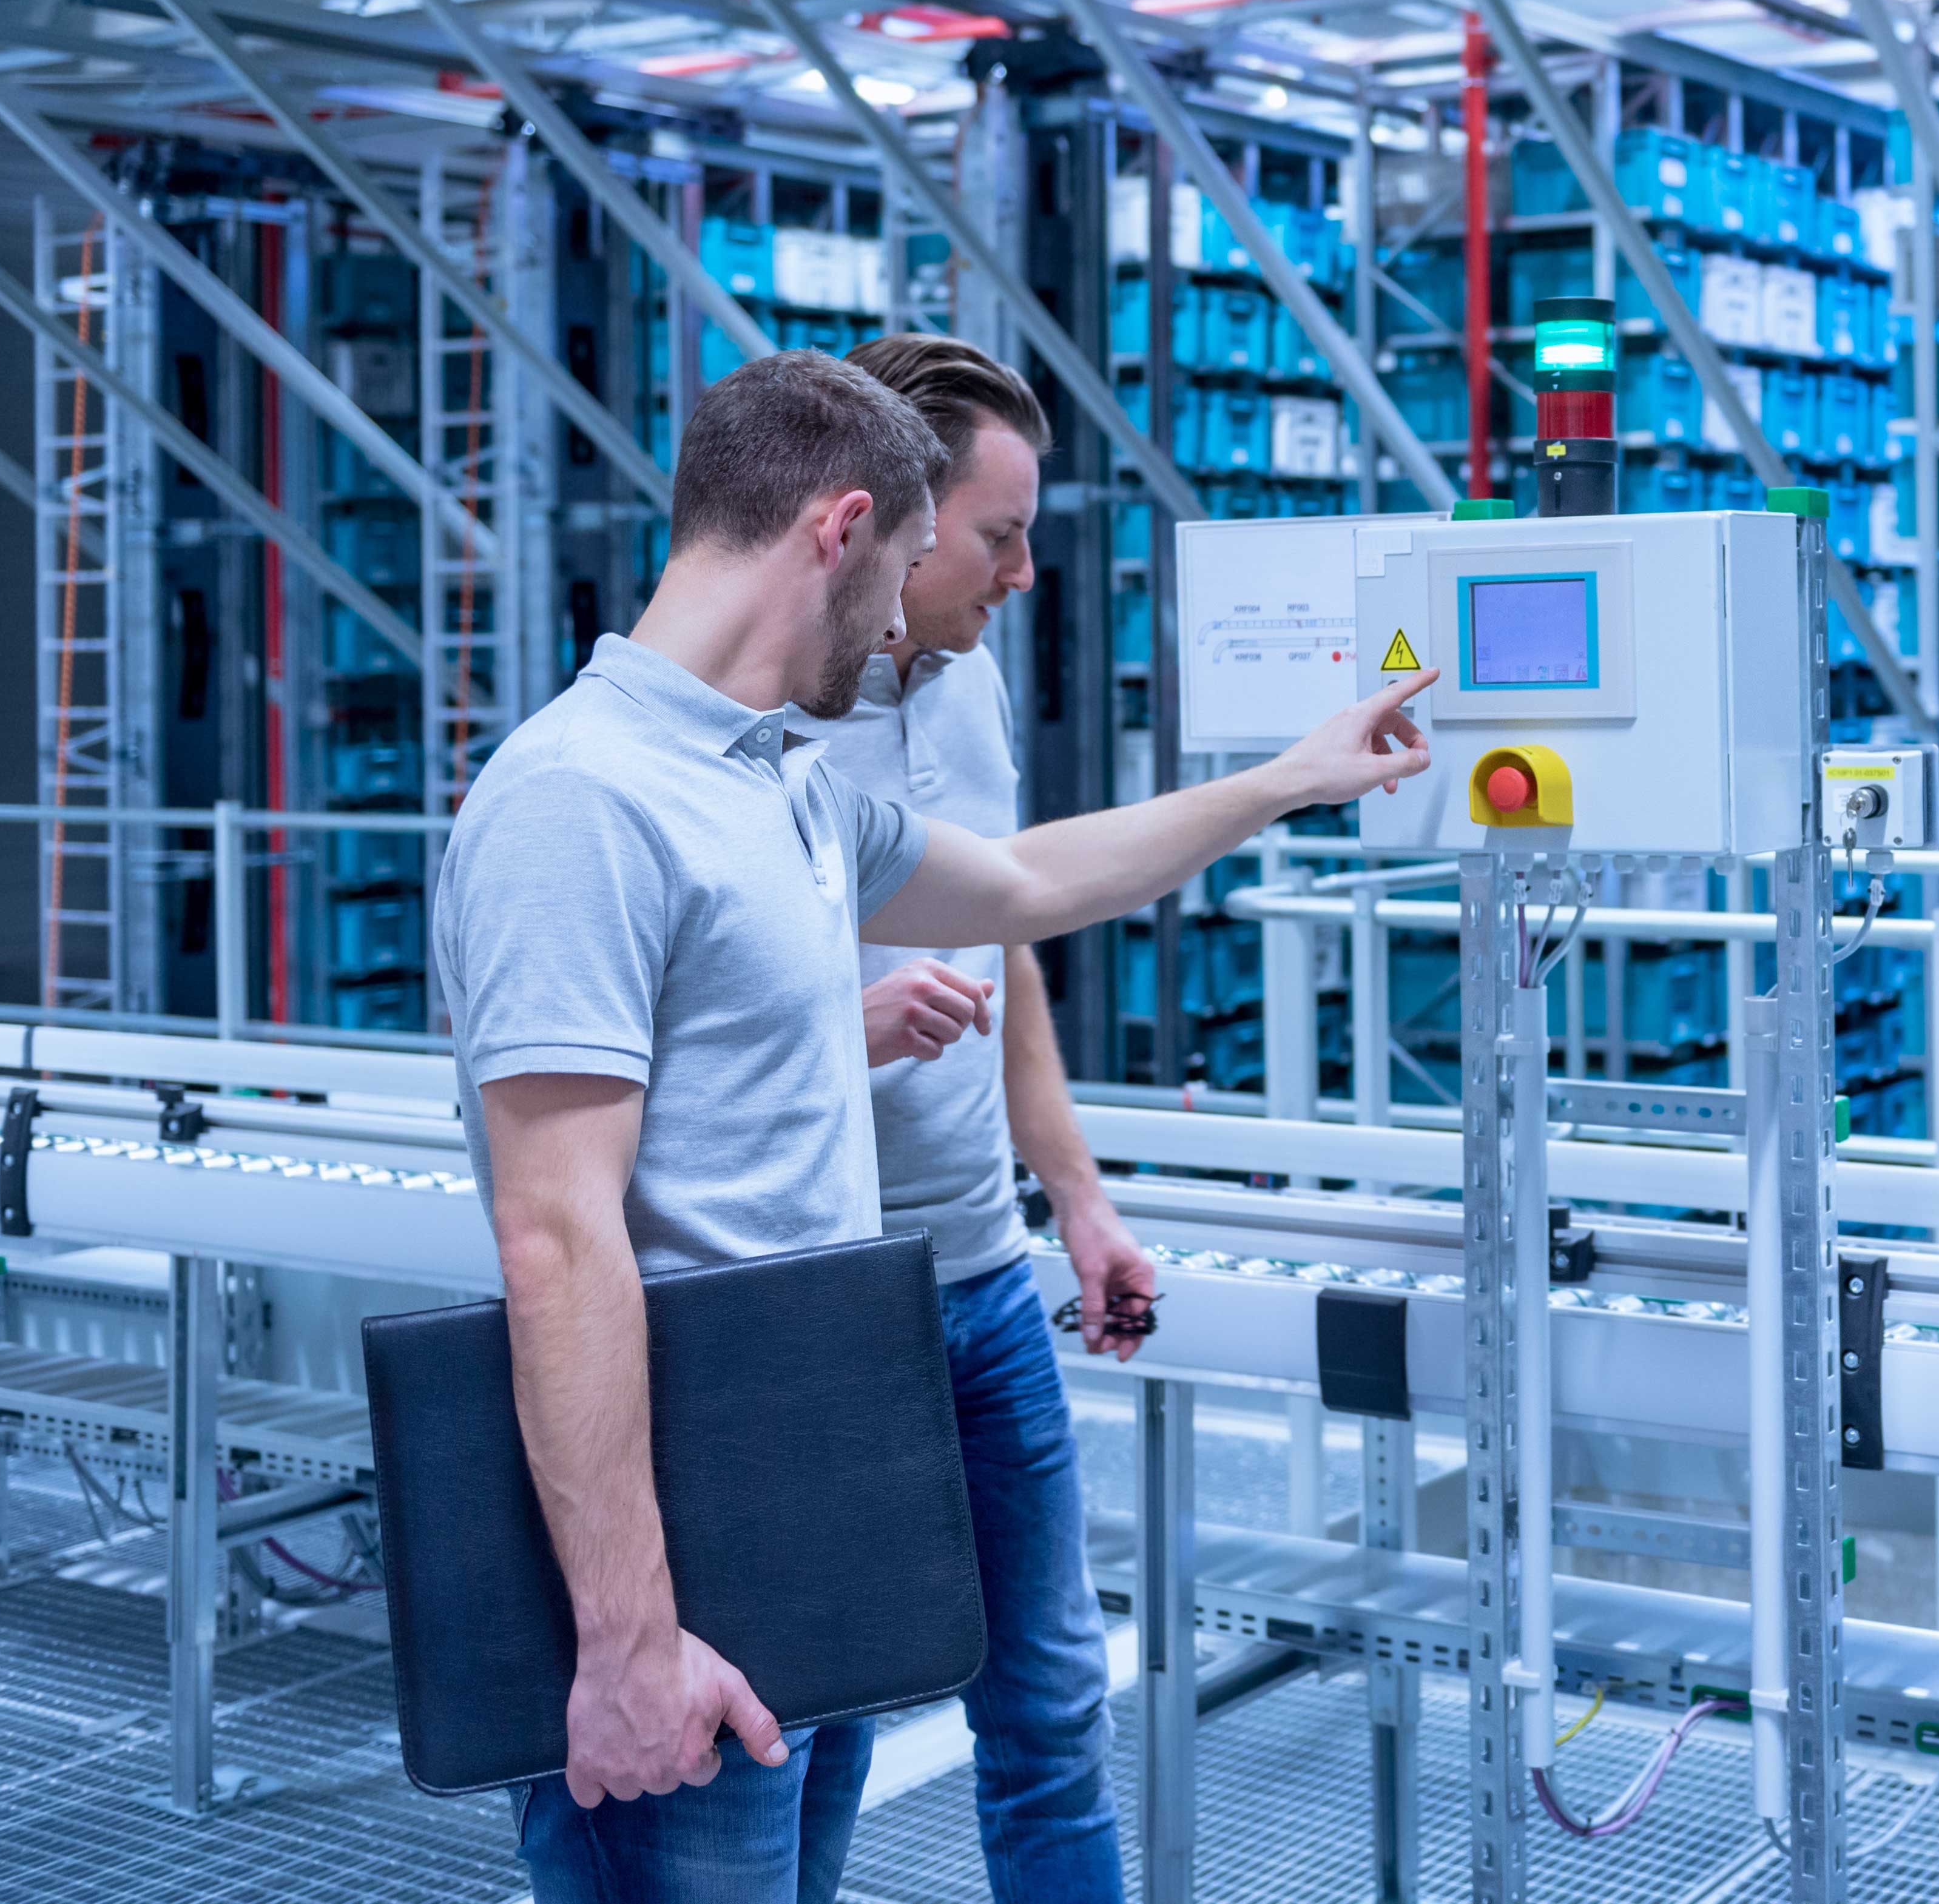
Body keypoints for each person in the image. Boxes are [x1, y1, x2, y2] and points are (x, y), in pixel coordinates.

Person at [434, 348, 1431, 1903]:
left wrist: (1290, 782)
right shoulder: (581, 800)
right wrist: (629, 1643)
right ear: (836, 533)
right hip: (689, 1515)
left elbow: (1031, 886)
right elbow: (557, 1239)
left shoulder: (775, 789)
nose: (906, 624)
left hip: (811, 1467)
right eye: (901, 569)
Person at [789, 332, 1138, 1903]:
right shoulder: (760, 719)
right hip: (821, 1301)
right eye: (998, 538)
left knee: (1054, 1703)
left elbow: (1005, 950)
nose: (1023, 574)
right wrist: (834, 1028)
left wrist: (1078, 1199)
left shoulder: (975, 688)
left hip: (982, 1280)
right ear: (893, 522)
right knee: (816, 1725)